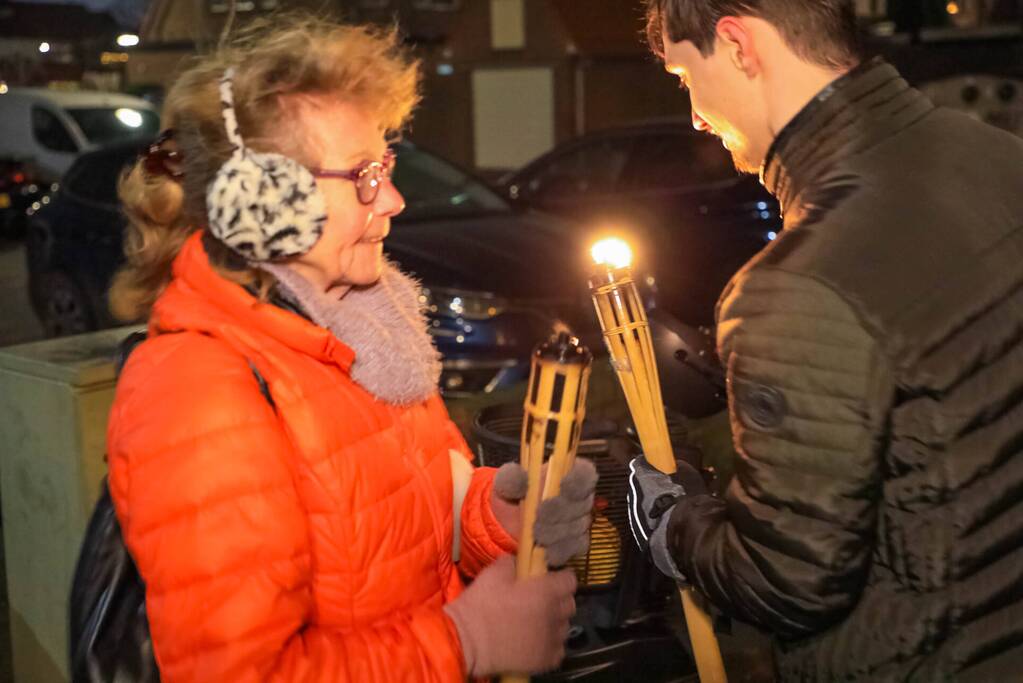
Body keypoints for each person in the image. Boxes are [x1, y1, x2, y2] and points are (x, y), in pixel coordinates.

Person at [105, 16, 596, 682]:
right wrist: (465, 642)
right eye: (363, 175)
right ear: (260, 204)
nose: (392, 200)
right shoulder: (195, 391)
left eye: (386, 167)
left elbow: (398, 537)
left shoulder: (366, 329)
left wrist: (495, 516)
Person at [626, 1, 1023, 680]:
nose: (694, 115)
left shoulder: (794, 288)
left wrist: (674, 524)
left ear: (738, 44)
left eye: (685, 77)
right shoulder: (994, 154)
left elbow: (790, 581)